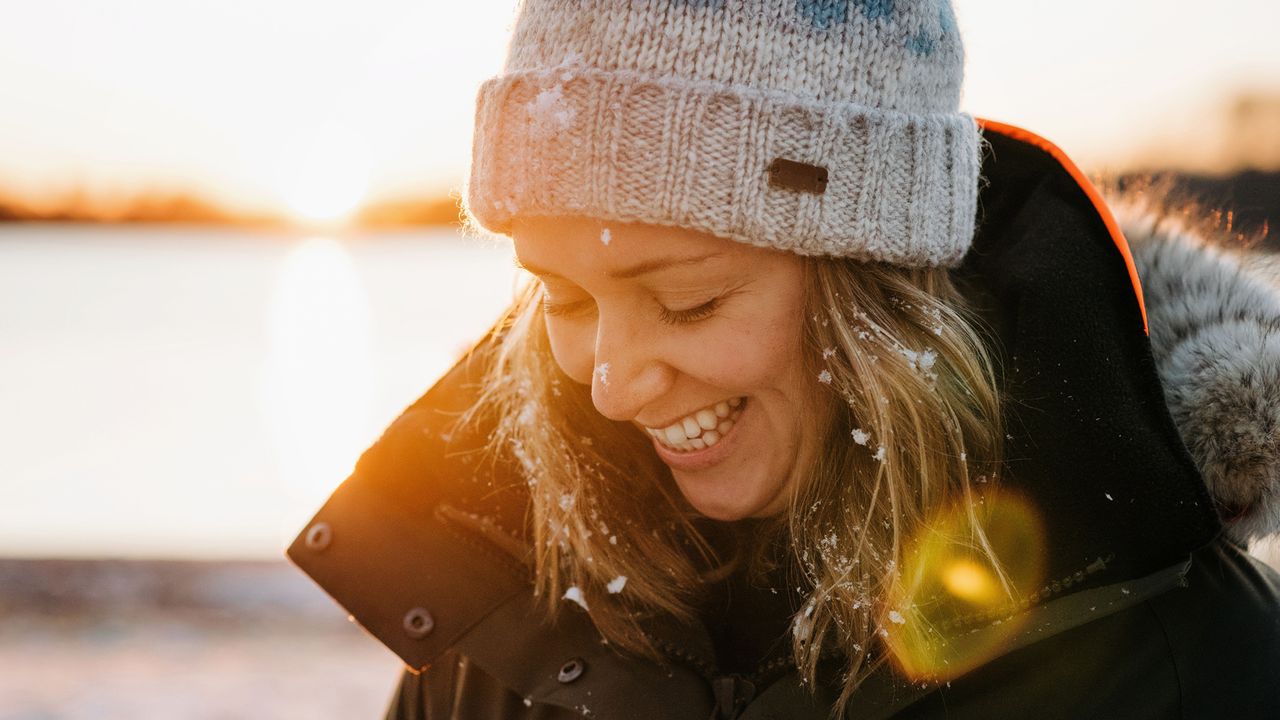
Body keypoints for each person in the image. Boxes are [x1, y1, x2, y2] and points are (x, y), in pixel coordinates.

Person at [288, 1, 1280, 717]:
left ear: (876, 284)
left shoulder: (1179, 663)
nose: (612, 382)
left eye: (688, 299)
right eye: (562, 297)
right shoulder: (502, 591)